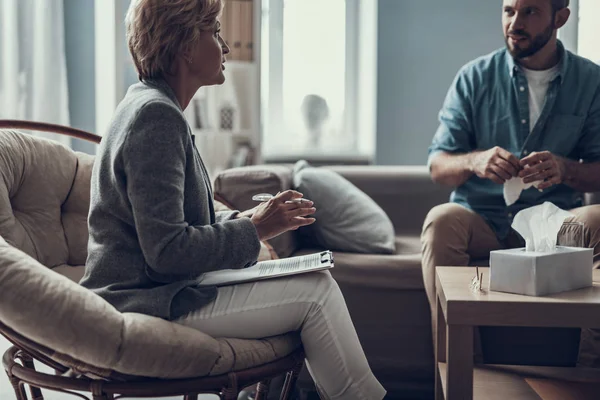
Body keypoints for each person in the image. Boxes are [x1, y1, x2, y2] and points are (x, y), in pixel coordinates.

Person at [79, 0, 386, 398]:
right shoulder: (155, 118)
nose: (225, 47)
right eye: (215, 32)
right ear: (186, 44)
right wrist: (255, 229)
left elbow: (177, 228)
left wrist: (251, 218)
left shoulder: (149, 106)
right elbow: (167, 253)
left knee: (310, 282)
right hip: (143, 300)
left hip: (157, 289)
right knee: (316, 292)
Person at [422, 0, 600, 366]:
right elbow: (437, 166)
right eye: (508, 11)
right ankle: (461, 374)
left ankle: (588, 375)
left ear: (560, 17)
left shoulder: (592, 81)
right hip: (481, 220)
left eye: (531, 11)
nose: (514, 23)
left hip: (558, 223)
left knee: (598, 220)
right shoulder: (473, 77)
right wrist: (475, 160)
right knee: (441, 221)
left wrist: (565, 169)